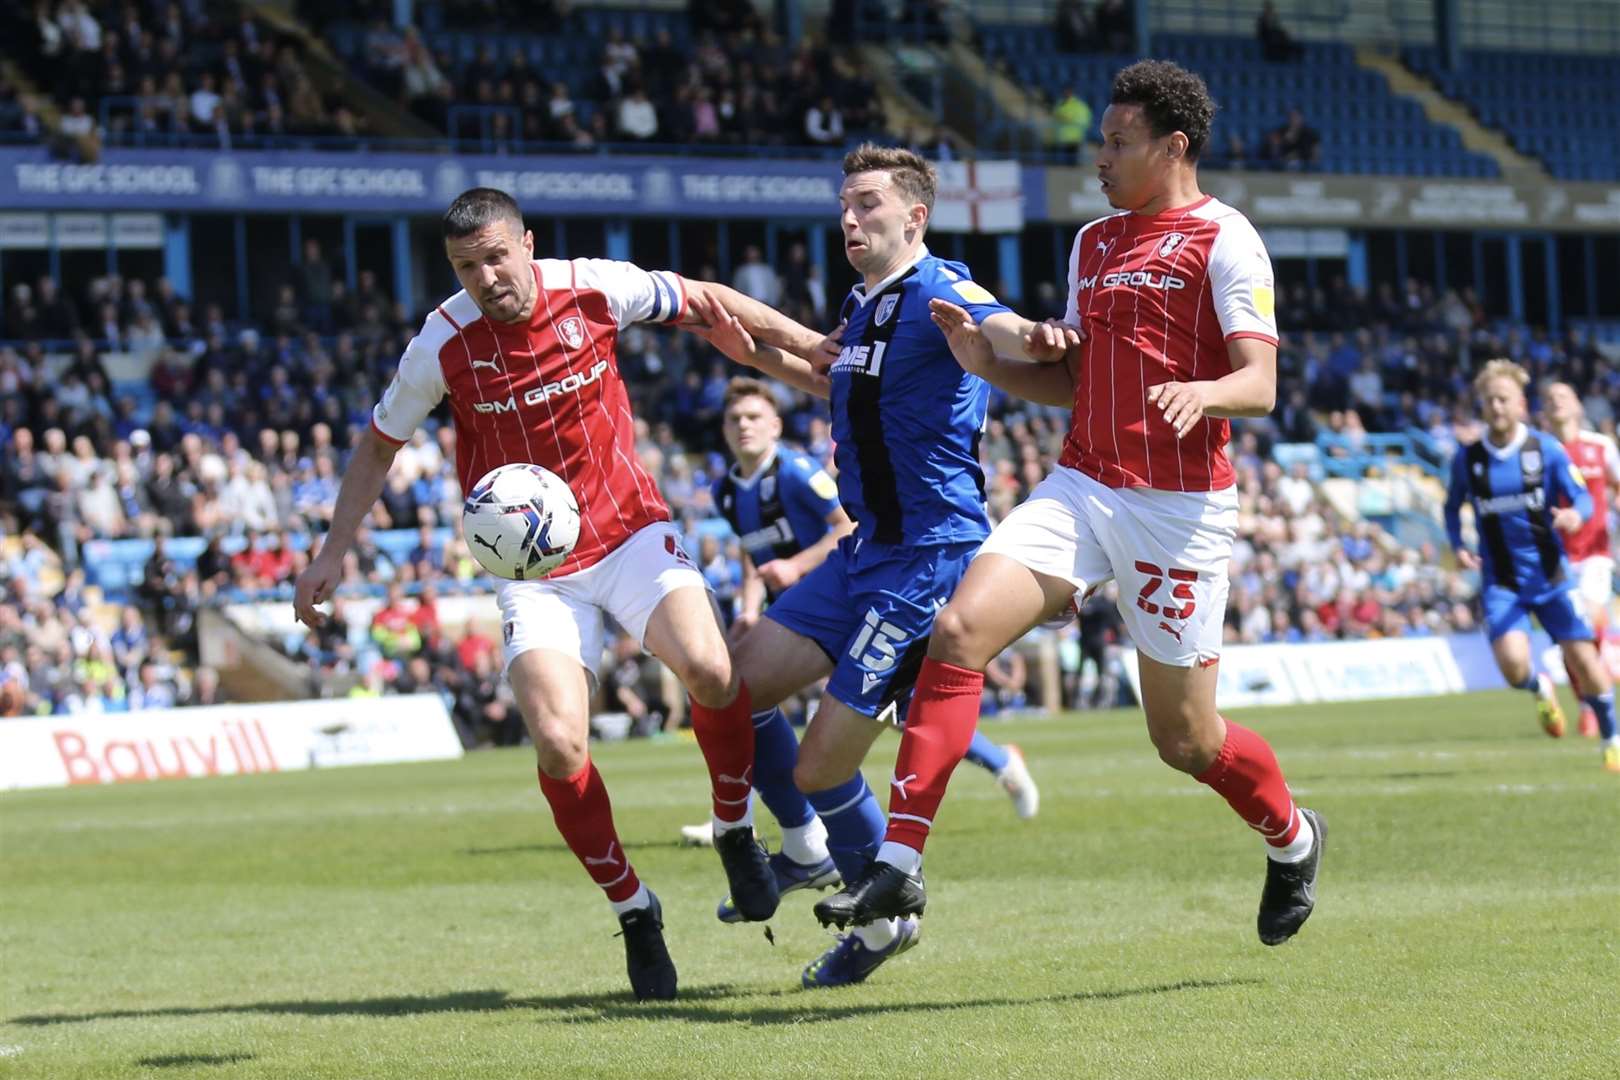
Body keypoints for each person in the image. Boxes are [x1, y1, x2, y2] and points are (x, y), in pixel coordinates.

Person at [813, 61, 1328, 949]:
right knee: (960, 632)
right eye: (1100, 139)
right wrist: (987, 363)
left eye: (1118, 141)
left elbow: (1263, 382)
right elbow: (1078, 384)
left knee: (1186, 740)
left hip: (1179, 509)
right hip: (1084, 485)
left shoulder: (1227, 239)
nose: (1101, 156)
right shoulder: (1093, 243)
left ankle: (1293, 837)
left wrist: (1203, 395)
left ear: (1174, 146)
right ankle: (899, 862)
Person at [292, 187, 828, 1001]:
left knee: (715, 674)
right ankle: (635, 908)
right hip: (532, 569)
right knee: (558, 745)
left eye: (497, 258)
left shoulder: (591, 286)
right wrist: (332, 551)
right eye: (467, 268)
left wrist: (808, 342)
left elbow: (708, 300)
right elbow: (377, 445)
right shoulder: (441, 344)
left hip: (630, 531)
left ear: (527, 246)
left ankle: (731, 828)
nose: (486, 278)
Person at [691, 144, 1059, 987]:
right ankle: (805, 852)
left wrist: (1033, 337)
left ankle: (885, 915)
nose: (850, 220)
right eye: (844, 206)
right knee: (729, 686)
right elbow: (841, 388)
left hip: (925, 560)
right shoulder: (862, 307)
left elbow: (995, 324)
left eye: (867, 205)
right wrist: (754, 357)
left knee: (821, 764)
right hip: (862, 553)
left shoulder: (938, 288)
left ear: (914, 217)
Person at [680, 377, 1040, 884]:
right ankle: (797, 838)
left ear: (776, 425)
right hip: (815, 604)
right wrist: (748, 603)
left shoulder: (798, 473)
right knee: (750, 696)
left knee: (898, 715)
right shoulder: (725, 489)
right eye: (734, 419)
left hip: (868, 585)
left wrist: (796, 568)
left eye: (754, 417)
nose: (743, 427)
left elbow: (844, 525)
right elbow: (750, 551)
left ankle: (998, 765)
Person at [1444, 362, 1617, 771]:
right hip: (1501, 582)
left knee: (1585, 660)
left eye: (1504, 399)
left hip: (1552, 577)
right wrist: (1458, 545)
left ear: (1521, 405)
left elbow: (1583, 497)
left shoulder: (1545, 450)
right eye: (1489, 401)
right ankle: (1539, 686)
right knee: (1513, 666)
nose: (1497, 407)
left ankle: (1612, 735)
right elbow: (1451, 508)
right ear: (1482, 408)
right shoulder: (1468, 459)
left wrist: (1576, 514)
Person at [1542, 381, 1620, 739]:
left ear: (1577, 405)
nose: (1556, 402)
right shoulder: (1538, 450)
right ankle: (1588, 702)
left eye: (1563, 396)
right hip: (1553, 557)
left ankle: (1595, 699)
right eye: (1550, 399)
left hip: (1594, 554)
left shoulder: (1600, 447)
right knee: (1567, 641)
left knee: (1586, 620)